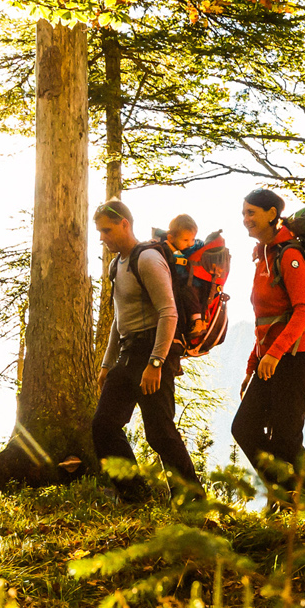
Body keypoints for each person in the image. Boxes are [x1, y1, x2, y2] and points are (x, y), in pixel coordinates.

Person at [91, 199, 200, 501]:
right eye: (100, 231)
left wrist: (156, 363)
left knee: (160, 434)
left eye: (107, 230)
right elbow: (119, 318)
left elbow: (169, 313)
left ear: (125, 224)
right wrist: (105, 364)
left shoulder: (148, 259)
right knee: (104, 425)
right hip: (128, 355)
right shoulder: (117, 265)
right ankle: (136, 496)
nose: (103, 237)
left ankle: (192, 501)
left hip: (152, 353)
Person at [231, 187, 305, 505]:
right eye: (243, 213)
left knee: (285, 437)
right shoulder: (263, 256)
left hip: (297, 356)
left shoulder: (289, 255)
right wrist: (251, 368)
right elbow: (263, 321)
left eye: (251, 213)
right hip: (270, 358)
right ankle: (286, 498)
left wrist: (275, 353)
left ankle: (299, 509)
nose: (245, 220)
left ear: (272, 214)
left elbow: (304, 310)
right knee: (244, 428)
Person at [165, 213, 209, 346]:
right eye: (185, 240)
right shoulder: (171, 249)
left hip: (193, 283)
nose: (190, 243)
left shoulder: (192, 247)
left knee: (188, 293)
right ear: (171, 238)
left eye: (192, 239)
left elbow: (180, 271)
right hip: (187, 281)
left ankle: (197, 321)